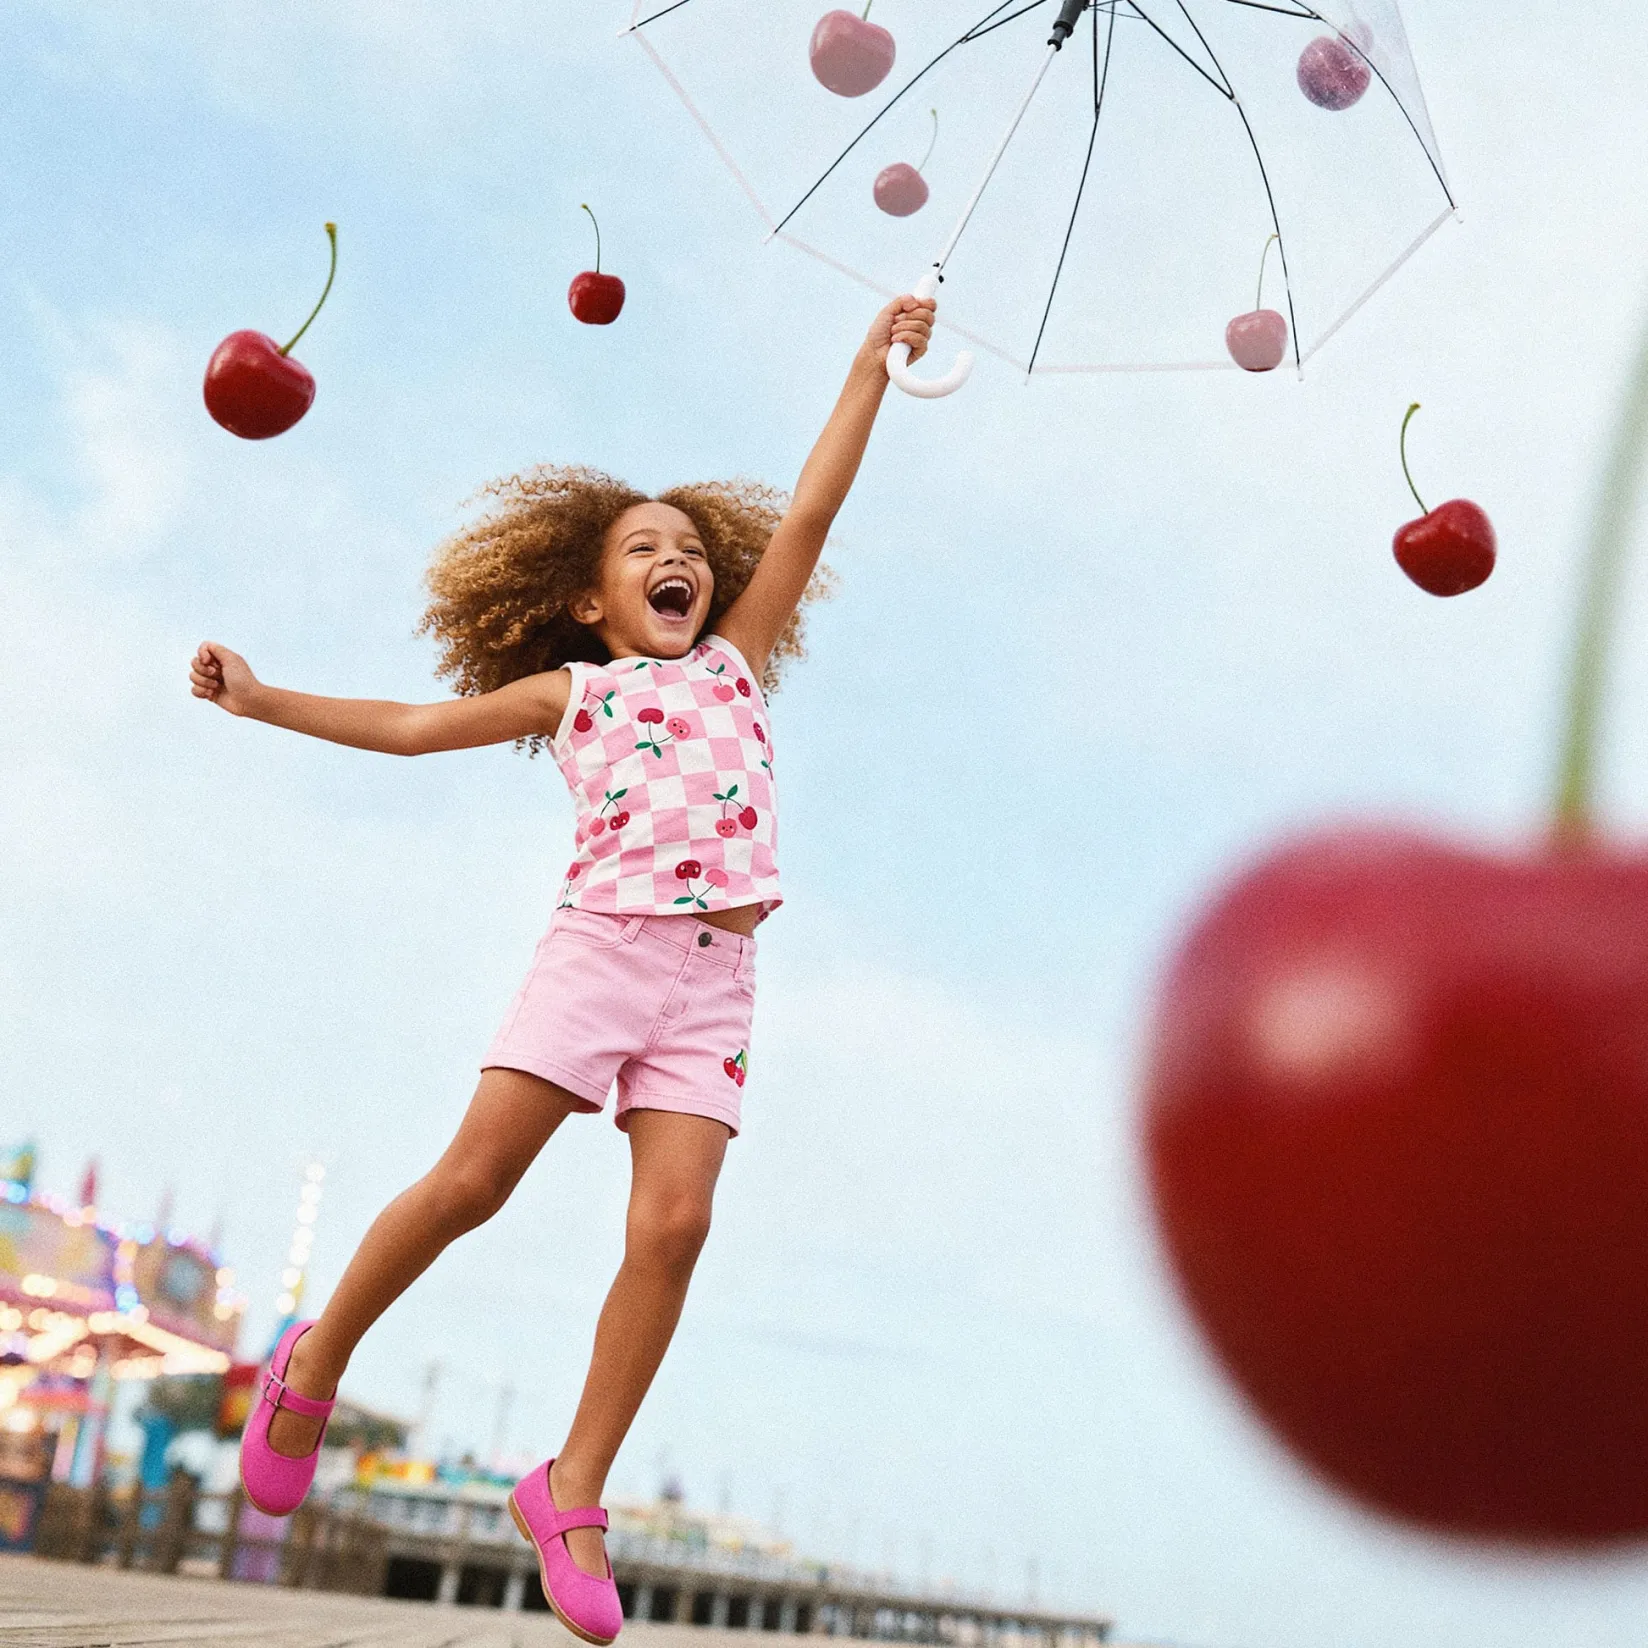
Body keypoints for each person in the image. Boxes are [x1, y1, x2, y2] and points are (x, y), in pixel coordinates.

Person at [189, 294, 935, 1644]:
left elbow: (813, 516)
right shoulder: (579, 694)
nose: (679, 561)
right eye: (646, 549)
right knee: (474, 1182)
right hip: (601, 951)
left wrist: (868, 367)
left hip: (717, 978)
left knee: (677, 1227)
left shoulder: (737, 668)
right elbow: (416, 725)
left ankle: (571, 1488)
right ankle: (316, 1363)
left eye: (693, 551)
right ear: (592, 599)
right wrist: (264, 698)